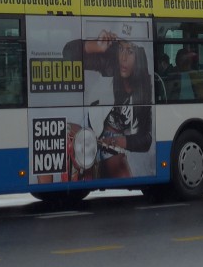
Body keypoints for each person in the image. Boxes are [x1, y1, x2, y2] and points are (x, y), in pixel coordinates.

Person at [64, 31, 154, 179]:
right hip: (86, 131)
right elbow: (67, 53)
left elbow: (146, 139)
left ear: (139, 57)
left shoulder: (144, 88)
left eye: (130, 51)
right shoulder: (111, 66)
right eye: (121, 49)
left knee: (125, 178)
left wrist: (115, 141)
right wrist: (97, 46)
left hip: (111, 146)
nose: (123, 58)